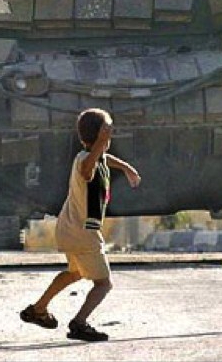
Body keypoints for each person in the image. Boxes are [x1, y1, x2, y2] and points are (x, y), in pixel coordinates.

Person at [20, 108, 141, 342]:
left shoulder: (88, 156)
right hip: (84, 232)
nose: (110, 134)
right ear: (101, 135)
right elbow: (88, 169)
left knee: (74, 273)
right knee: (104, 284)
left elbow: (102, 158)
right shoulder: (86, 162)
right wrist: (103, 141)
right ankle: (79, 323)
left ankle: (38, 309)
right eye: (108, 130)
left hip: (70, 228)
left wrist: (126, 168)